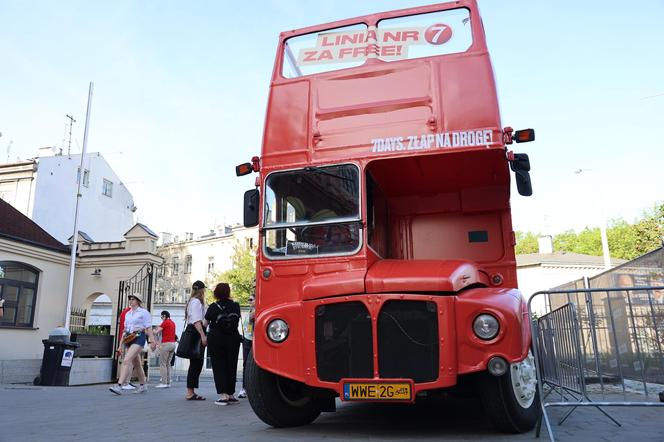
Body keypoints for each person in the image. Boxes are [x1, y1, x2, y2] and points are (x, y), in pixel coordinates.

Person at [109, 293, 156, 395]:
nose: (131, 300)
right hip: (129, 338)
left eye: (133, 299)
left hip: (139, 337)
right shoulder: (128, 314)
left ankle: (119, 385)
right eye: (130, 299)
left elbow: (148, 328)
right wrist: (120, 345)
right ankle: (143, 385)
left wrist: (152, 341)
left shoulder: (144, 313)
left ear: (138, 301)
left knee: (126, 361)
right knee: (137, 364)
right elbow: (125, 330)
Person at [205, 282, 242, 406]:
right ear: (228, 292)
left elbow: (205, 323)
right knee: (231, 365)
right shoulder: (235, 306)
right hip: (233, 338)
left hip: (216, 339)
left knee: (218, 365)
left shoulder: (213, 307)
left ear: (216, 293)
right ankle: (231, 394)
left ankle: (223, 395)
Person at [184, 280, 208, 401]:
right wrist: (203, 335)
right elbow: (197, 321)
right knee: (196, 363)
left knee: (195, 363)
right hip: (196, 332)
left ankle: (191, 391)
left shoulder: (191, 301)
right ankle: (190, 392)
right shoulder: (197, 302)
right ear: (202, 290)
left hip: (193, 331)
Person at [238, 285, 256, 399]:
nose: (249, 301)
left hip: (253, 341)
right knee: (245, 365)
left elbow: (251, 321)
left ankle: (250, 388)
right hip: (247, 339)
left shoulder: (256, 311)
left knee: (252, 365)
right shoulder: (251, 310)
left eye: (251, 300)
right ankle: (244, 388)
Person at [154, 310, 177, 388]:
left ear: (164, 316)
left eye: (161, 316)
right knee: (168, 364)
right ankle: (168, 383)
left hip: (166, 344)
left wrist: (151, 330)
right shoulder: (173, 323)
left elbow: (156, 331)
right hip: (173, 345)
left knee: (162, 364)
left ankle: (163, 383)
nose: (161, 318)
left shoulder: (165, 322)